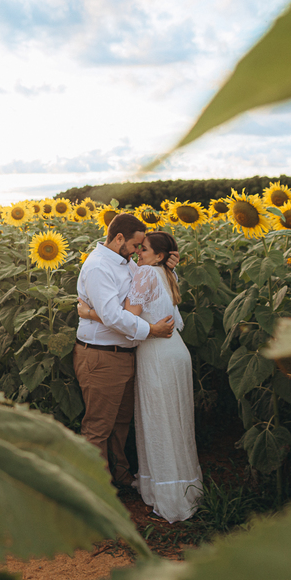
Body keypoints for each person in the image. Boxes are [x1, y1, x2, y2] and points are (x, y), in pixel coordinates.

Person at [78, 231, 203, 523]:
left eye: (143, 249)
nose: (138, 254)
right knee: (177, 422)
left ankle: (170, 502)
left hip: (157, 355)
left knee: (160, 423)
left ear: (157, 256)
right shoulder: (165, 273)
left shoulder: (146, 272)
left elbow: (126, 316)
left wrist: (88, 312)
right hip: (175, 353)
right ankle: (184, 490)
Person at [74, 213, 175, 488]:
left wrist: (165, 263)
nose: (137, 251)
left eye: (141, 248)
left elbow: (144, 289)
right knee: (98, 428)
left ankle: (120, 476)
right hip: (101, 355)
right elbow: (113, 316)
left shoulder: (125, 263)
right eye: (134, 245)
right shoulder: (98, 267)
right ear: (119, 238)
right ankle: (98, 492)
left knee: (120, 424)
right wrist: (151, 330)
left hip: (124, 355)